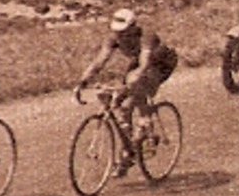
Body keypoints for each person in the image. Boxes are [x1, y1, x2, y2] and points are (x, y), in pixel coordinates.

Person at [75, 9, 177, 152]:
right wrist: (82, 82)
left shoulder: (147, 36)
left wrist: (133, 80)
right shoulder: (114, 38)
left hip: (161, 64)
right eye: (117, 32)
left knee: (136, 88)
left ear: (133, 28)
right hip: (138, 62)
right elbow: (99, 62)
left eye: (123, 32)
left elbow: (144, 64)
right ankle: (129, 148)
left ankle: (145, 121)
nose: (119, 36)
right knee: (119, 104)